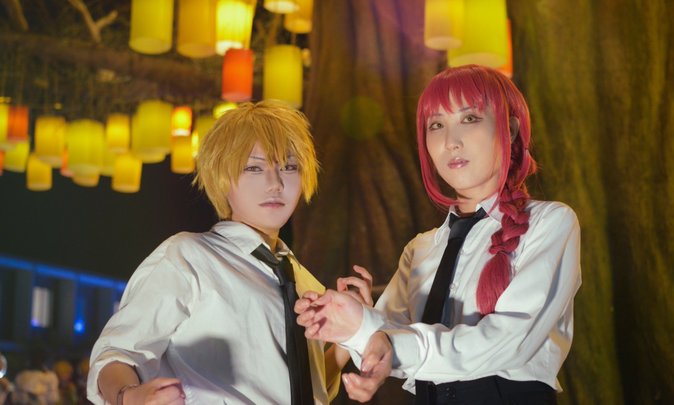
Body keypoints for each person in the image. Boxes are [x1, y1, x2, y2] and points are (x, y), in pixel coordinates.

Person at [296, 65, 582, 404]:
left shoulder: (550, 223)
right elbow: (388, 347)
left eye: (470, 118)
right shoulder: (420, 248)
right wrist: (353, 323)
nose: (450, 142)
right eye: (436, 125)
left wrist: (388, 341)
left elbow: (511, 341)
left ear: (510, 129)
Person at [87, 101, 371, 405]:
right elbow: (116, 353)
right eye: (254, 168)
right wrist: (129, 396)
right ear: (222, 177)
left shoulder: (303, 281)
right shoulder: (188, 257)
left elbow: (303, 387)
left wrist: (348, 336)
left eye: (289, 167)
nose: (275, 184)